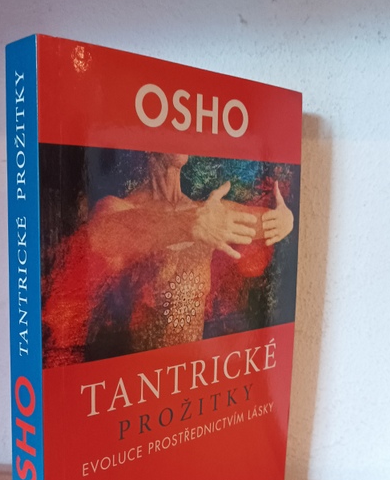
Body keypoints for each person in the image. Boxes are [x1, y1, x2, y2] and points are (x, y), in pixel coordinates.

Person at [42, 152, 294, 367]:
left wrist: (286, 219)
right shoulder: (120, 208)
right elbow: (103, 235)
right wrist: (187, 224)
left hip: (191, 371)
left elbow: (266, 221)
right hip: (139, 377)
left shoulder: (208, 213)